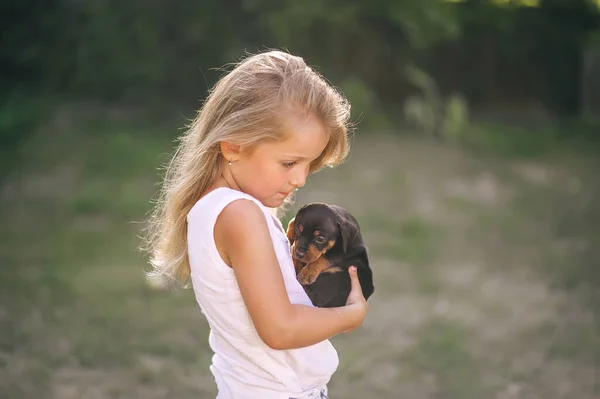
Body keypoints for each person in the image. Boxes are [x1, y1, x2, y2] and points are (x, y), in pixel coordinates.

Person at [142, 50, 368, 399]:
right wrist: (350, 314)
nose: (301, 179)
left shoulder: (214, 209)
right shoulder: (239, 215)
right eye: (289, 162)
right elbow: (279, 329)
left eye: (309, 164)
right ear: (233, 146)